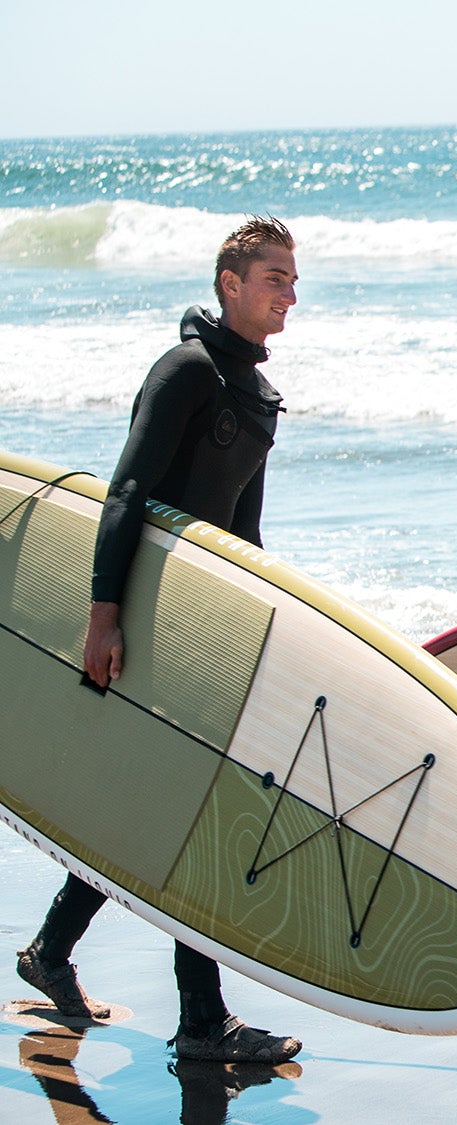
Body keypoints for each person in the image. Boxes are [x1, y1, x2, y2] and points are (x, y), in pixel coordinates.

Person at [16, 216, 304, 1063]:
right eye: (276, 278)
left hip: (197, 628)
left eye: (292, 280)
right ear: (231, 284)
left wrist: (260, 630)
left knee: (158, 805)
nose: (290, 294)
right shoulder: (184, 371)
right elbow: (127, 491)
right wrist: (103, 617)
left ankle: (53, 953)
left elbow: (240, 536)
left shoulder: (256, 395)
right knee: (185, 810)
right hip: (145, 620)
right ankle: (201, 1021)